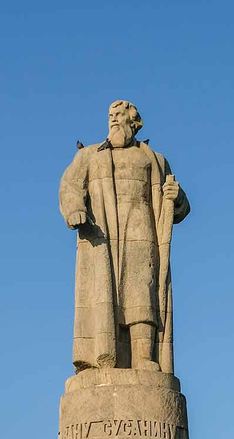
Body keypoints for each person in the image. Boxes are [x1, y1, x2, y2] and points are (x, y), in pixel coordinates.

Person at [59, 100, 191, 374]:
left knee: (142, 292)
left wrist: (176, 198)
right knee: (104, 295)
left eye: (119, 115)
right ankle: (101, 359)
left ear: (134, 122)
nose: (113, 120)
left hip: (141, 231)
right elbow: (70, 185)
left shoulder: (154, 159)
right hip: (102, 234)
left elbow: (181, 207)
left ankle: (144, 358)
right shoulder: (90, 155)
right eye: (110, 116)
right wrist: (74, 209)